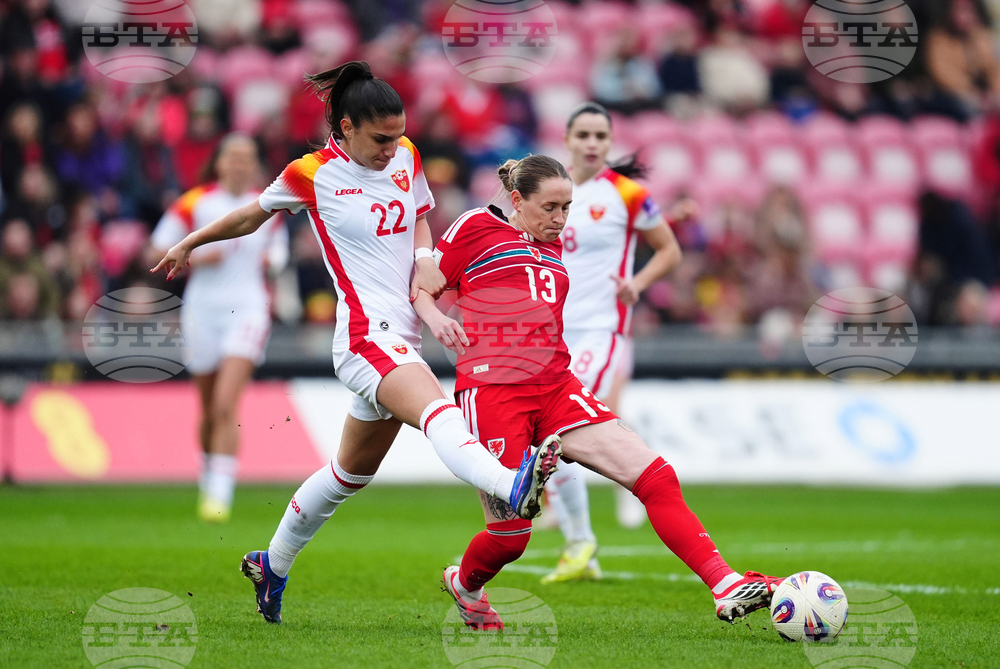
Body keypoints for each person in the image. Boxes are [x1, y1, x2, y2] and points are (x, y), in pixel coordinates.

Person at [150, 61, 559, 624]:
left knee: (349, 474)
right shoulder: (311, 174)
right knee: (437, 410)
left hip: (403, 333)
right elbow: (249, 217)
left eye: (397, 136)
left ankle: (271, 564)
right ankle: (509, 483)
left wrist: (424, 261)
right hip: (366, 336)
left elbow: (420, 216)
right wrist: (190, 243)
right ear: (345, 127)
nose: (392, 149)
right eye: (380, 139)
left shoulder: (406, 154)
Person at [416, 155, 782, 631]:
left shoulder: (552, 245)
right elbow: (423, 286)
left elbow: (608, 240)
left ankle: (725, 583)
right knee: (511, 538)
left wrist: (665, 224)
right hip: (492, 392)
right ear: (516, 200)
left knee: (655, 475)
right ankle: (465, 587)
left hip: (556, 386)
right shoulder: (474, 227)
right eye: (550, 207)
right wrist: (436, 319)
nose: (560, 218)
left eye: (567, 207)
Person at [542, 102, 691, 584]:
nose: (592, 143)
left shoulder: (627, 194)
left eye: (600, 136)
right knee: (548, 431)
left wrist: (638, 283)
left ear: (609, 142)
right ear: (566, 139)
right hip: (551, 331)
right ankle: (580, 544)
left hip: (601, 330)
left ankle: (600, 521)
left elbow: (669, 249)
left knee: (558, 422)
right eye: (583, 134)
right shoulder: (552, 191)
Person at [149, 133, 288, 523]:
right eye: (233, 157)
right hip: (202, 312)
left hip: (248, 310)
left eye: (248, 158)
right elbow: (157, 249)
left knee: (227, 402)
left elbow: (279, 253)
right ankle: (208, 476)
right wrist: (197, 256)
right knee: (209, 407)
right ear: (219, 162)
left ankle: (219, 496)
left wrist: (273, 261)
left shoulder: (267, 203)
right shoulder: (194, 202)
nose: (240, 164)